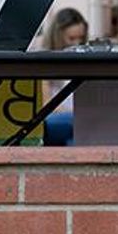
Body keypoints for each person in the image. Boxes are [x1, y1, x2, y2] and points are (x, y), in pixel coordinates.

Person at [40, 8, 88, 146]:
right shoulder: (45, 60)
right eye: (71, 39)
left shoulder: (86, 59)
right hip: (58, 119)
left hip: (79, 119)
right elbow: (46, 104)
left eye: (81, 39)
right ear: (58, 36)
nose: (76, 44)